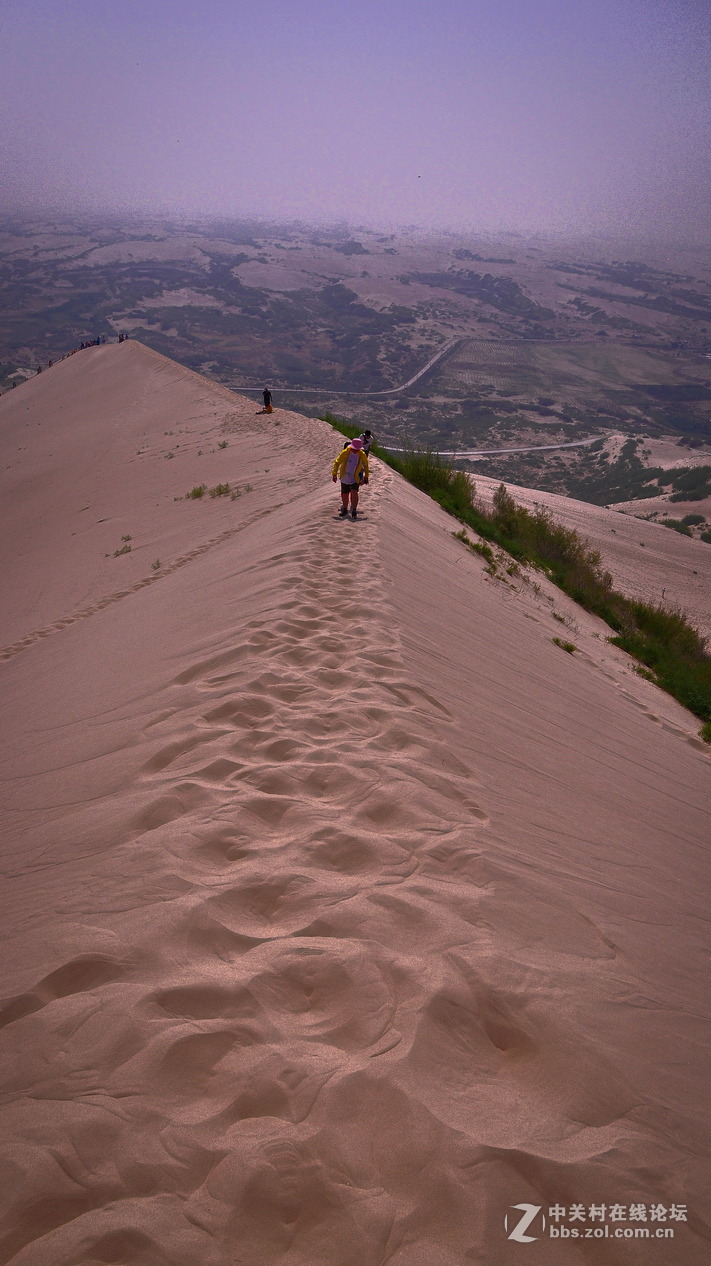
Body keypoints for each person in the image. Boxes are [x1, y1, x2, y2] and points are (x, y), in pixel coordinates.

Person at [332, 437, 369, 519]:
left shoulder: (362, 454)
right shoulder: (345, 452)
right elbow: (337, 462)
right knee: (345, 493)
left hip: (355, 477)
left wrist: (366, 476)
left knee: (354, 492)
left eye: (357, 449)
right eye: (354, 449)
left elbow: (366, 465)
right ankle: (344, 508)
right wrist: (334, 474)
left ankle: (354, 510)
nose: (355, 451)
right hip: (345, 476)